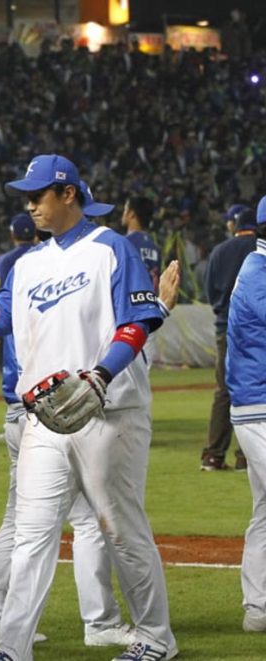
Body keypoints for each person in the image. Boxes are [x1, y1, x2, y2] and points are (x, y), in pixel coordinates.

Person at [0, 154, 176, 661]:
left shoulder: (112, 248)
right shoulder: (27, 265)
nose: (30, 205)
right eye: (27, 195)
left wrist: (99, 375)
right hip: (43, 417)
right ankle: (12, 647)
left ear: (69, 195)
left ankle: (156, 639)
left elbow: (136, 322)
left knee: (120, 529)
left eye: (38, 195)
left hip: (110, 412)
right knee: (31, 534)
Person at [224, 193, 266, 635]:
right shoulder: (257, 274)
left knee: (265, 511)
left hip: (256, 404)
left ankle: (258, 607)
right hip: (259, 407)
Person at [201, 204, 256, 472]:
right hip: (258, 330)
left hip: (226, 329)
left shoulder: (220, 251)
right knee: (257, 389)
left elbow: (210, 293)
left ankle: (213, 455)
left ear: (235, 224)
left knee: (223, 391)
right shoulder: (259, 249)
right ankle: (247, 456)